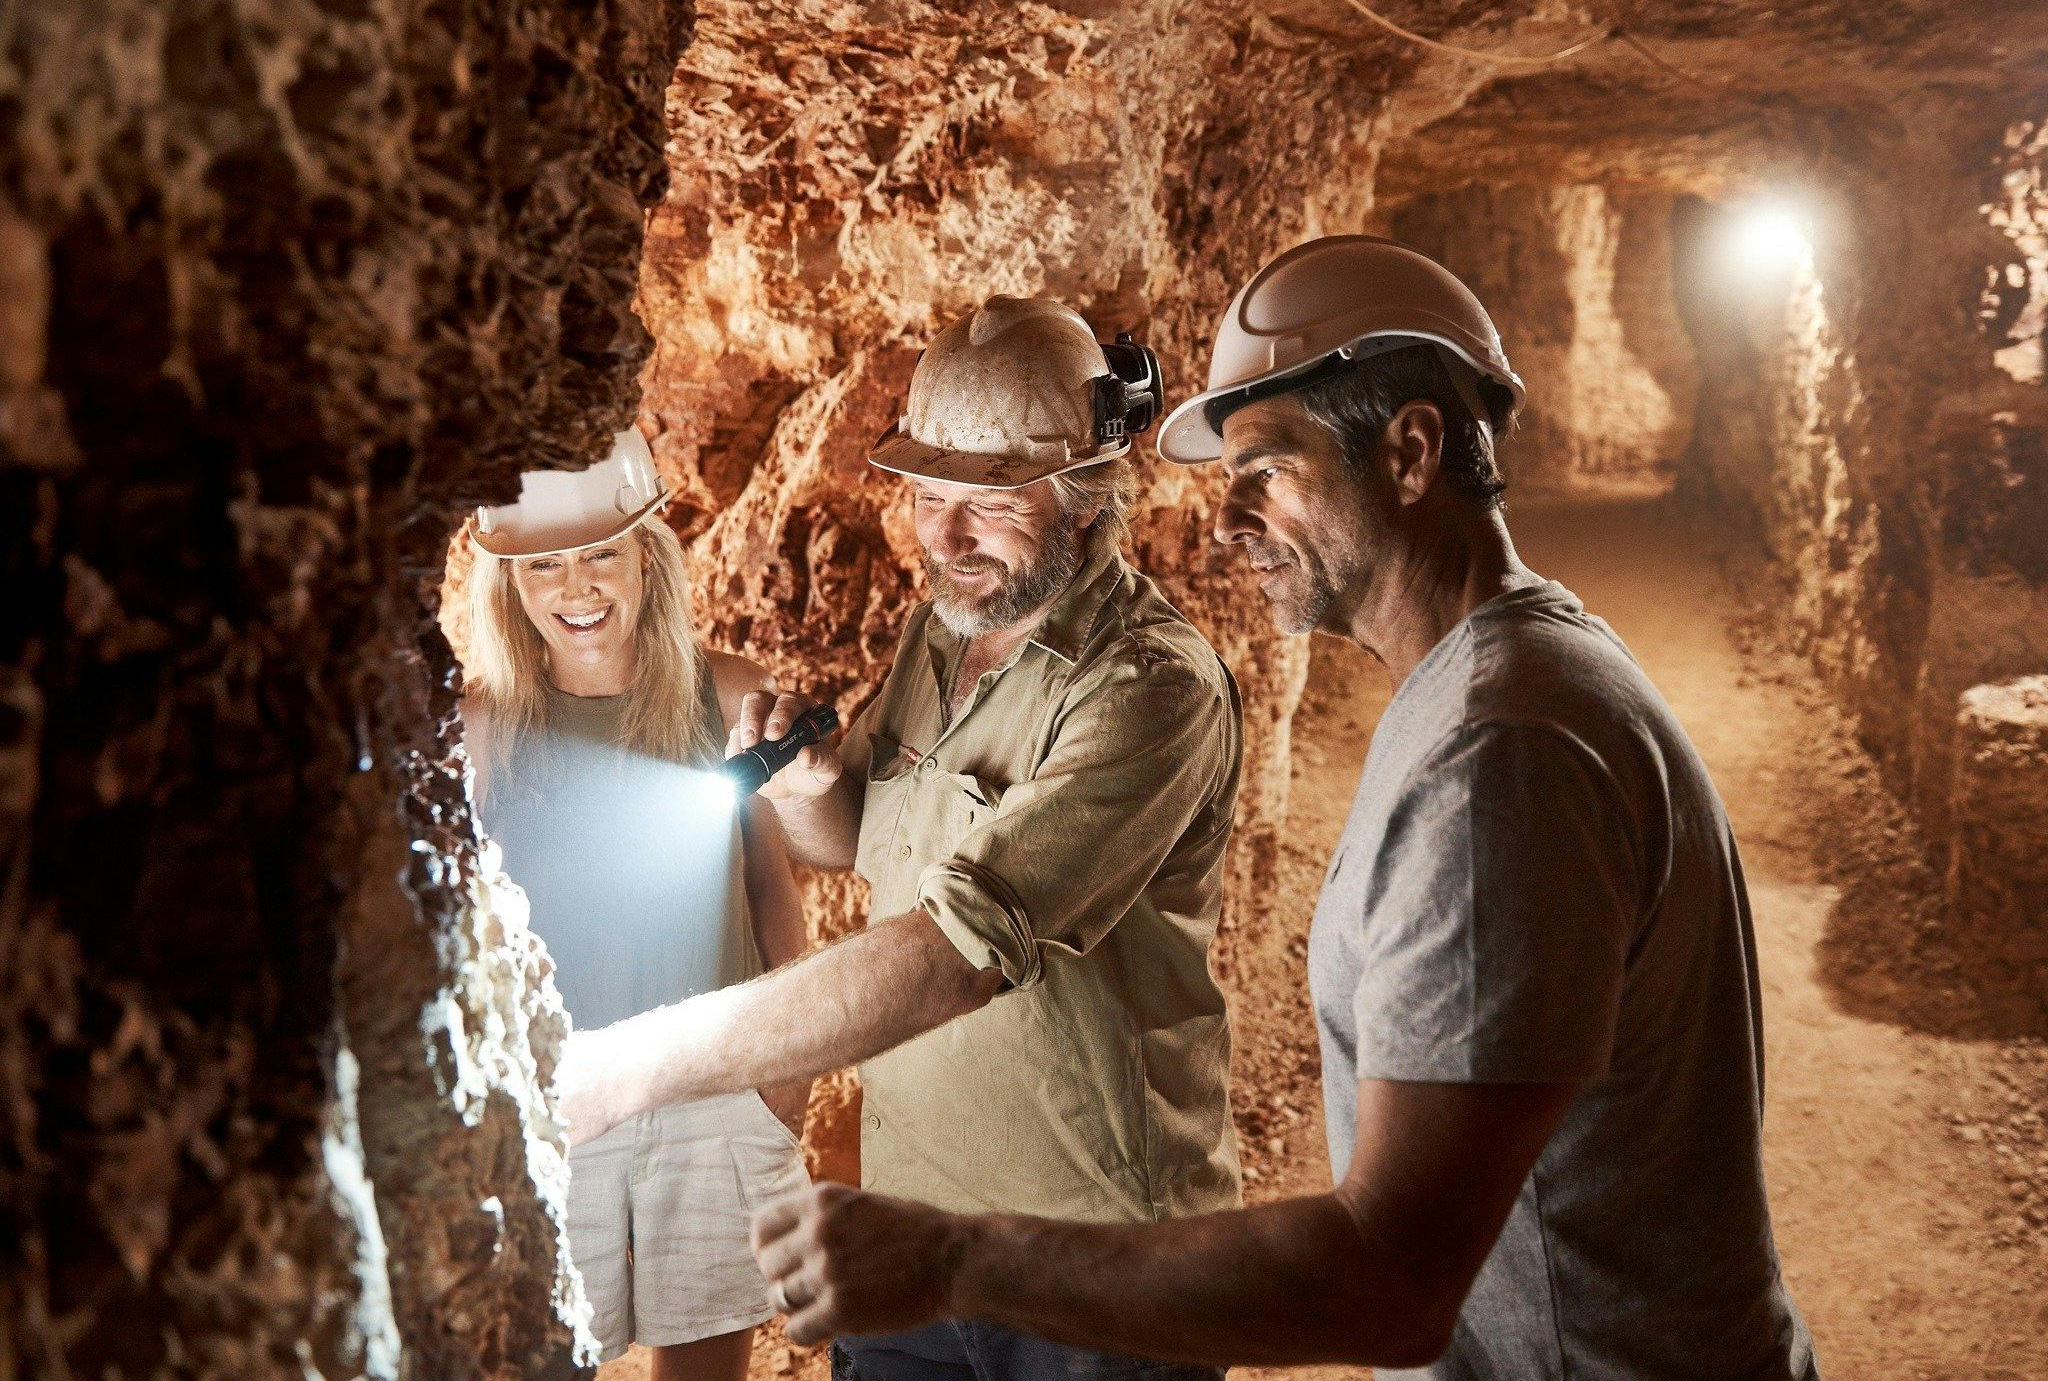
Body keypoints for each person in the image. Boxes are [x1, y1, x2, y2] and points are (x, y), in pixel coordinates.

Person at [751, 238, 1822, 1381]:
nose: (1225, 522)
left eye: (1265, 469)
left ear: (1408, 452)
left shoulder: (1497, 755)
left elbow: (1387, 1281)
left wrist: (950, 1260)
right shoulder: (1483, 692)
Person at [556, 297, 1246, 1381]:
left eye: (991, 504)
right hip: (909, 1233)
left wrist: (632, 1067)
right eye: (928, 496)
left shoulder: (1149, 689)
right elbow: (849, 842)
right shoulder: (944, 633)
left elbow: (952, 958)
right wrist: (810, 783)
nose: (947, 539)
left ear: (1082, 495)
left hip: (1095, 1267)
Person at [463, 429, 812, 1381]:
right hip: (555, 1099)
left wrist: (788, 1078)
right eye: (543, 565)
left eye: (601, 555)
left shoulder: (726, 695)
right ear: (510, 583)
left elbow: (770, 884)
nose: (575, 588)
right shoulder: (483, 730)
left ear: (647, 559)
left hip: (714, 1084)